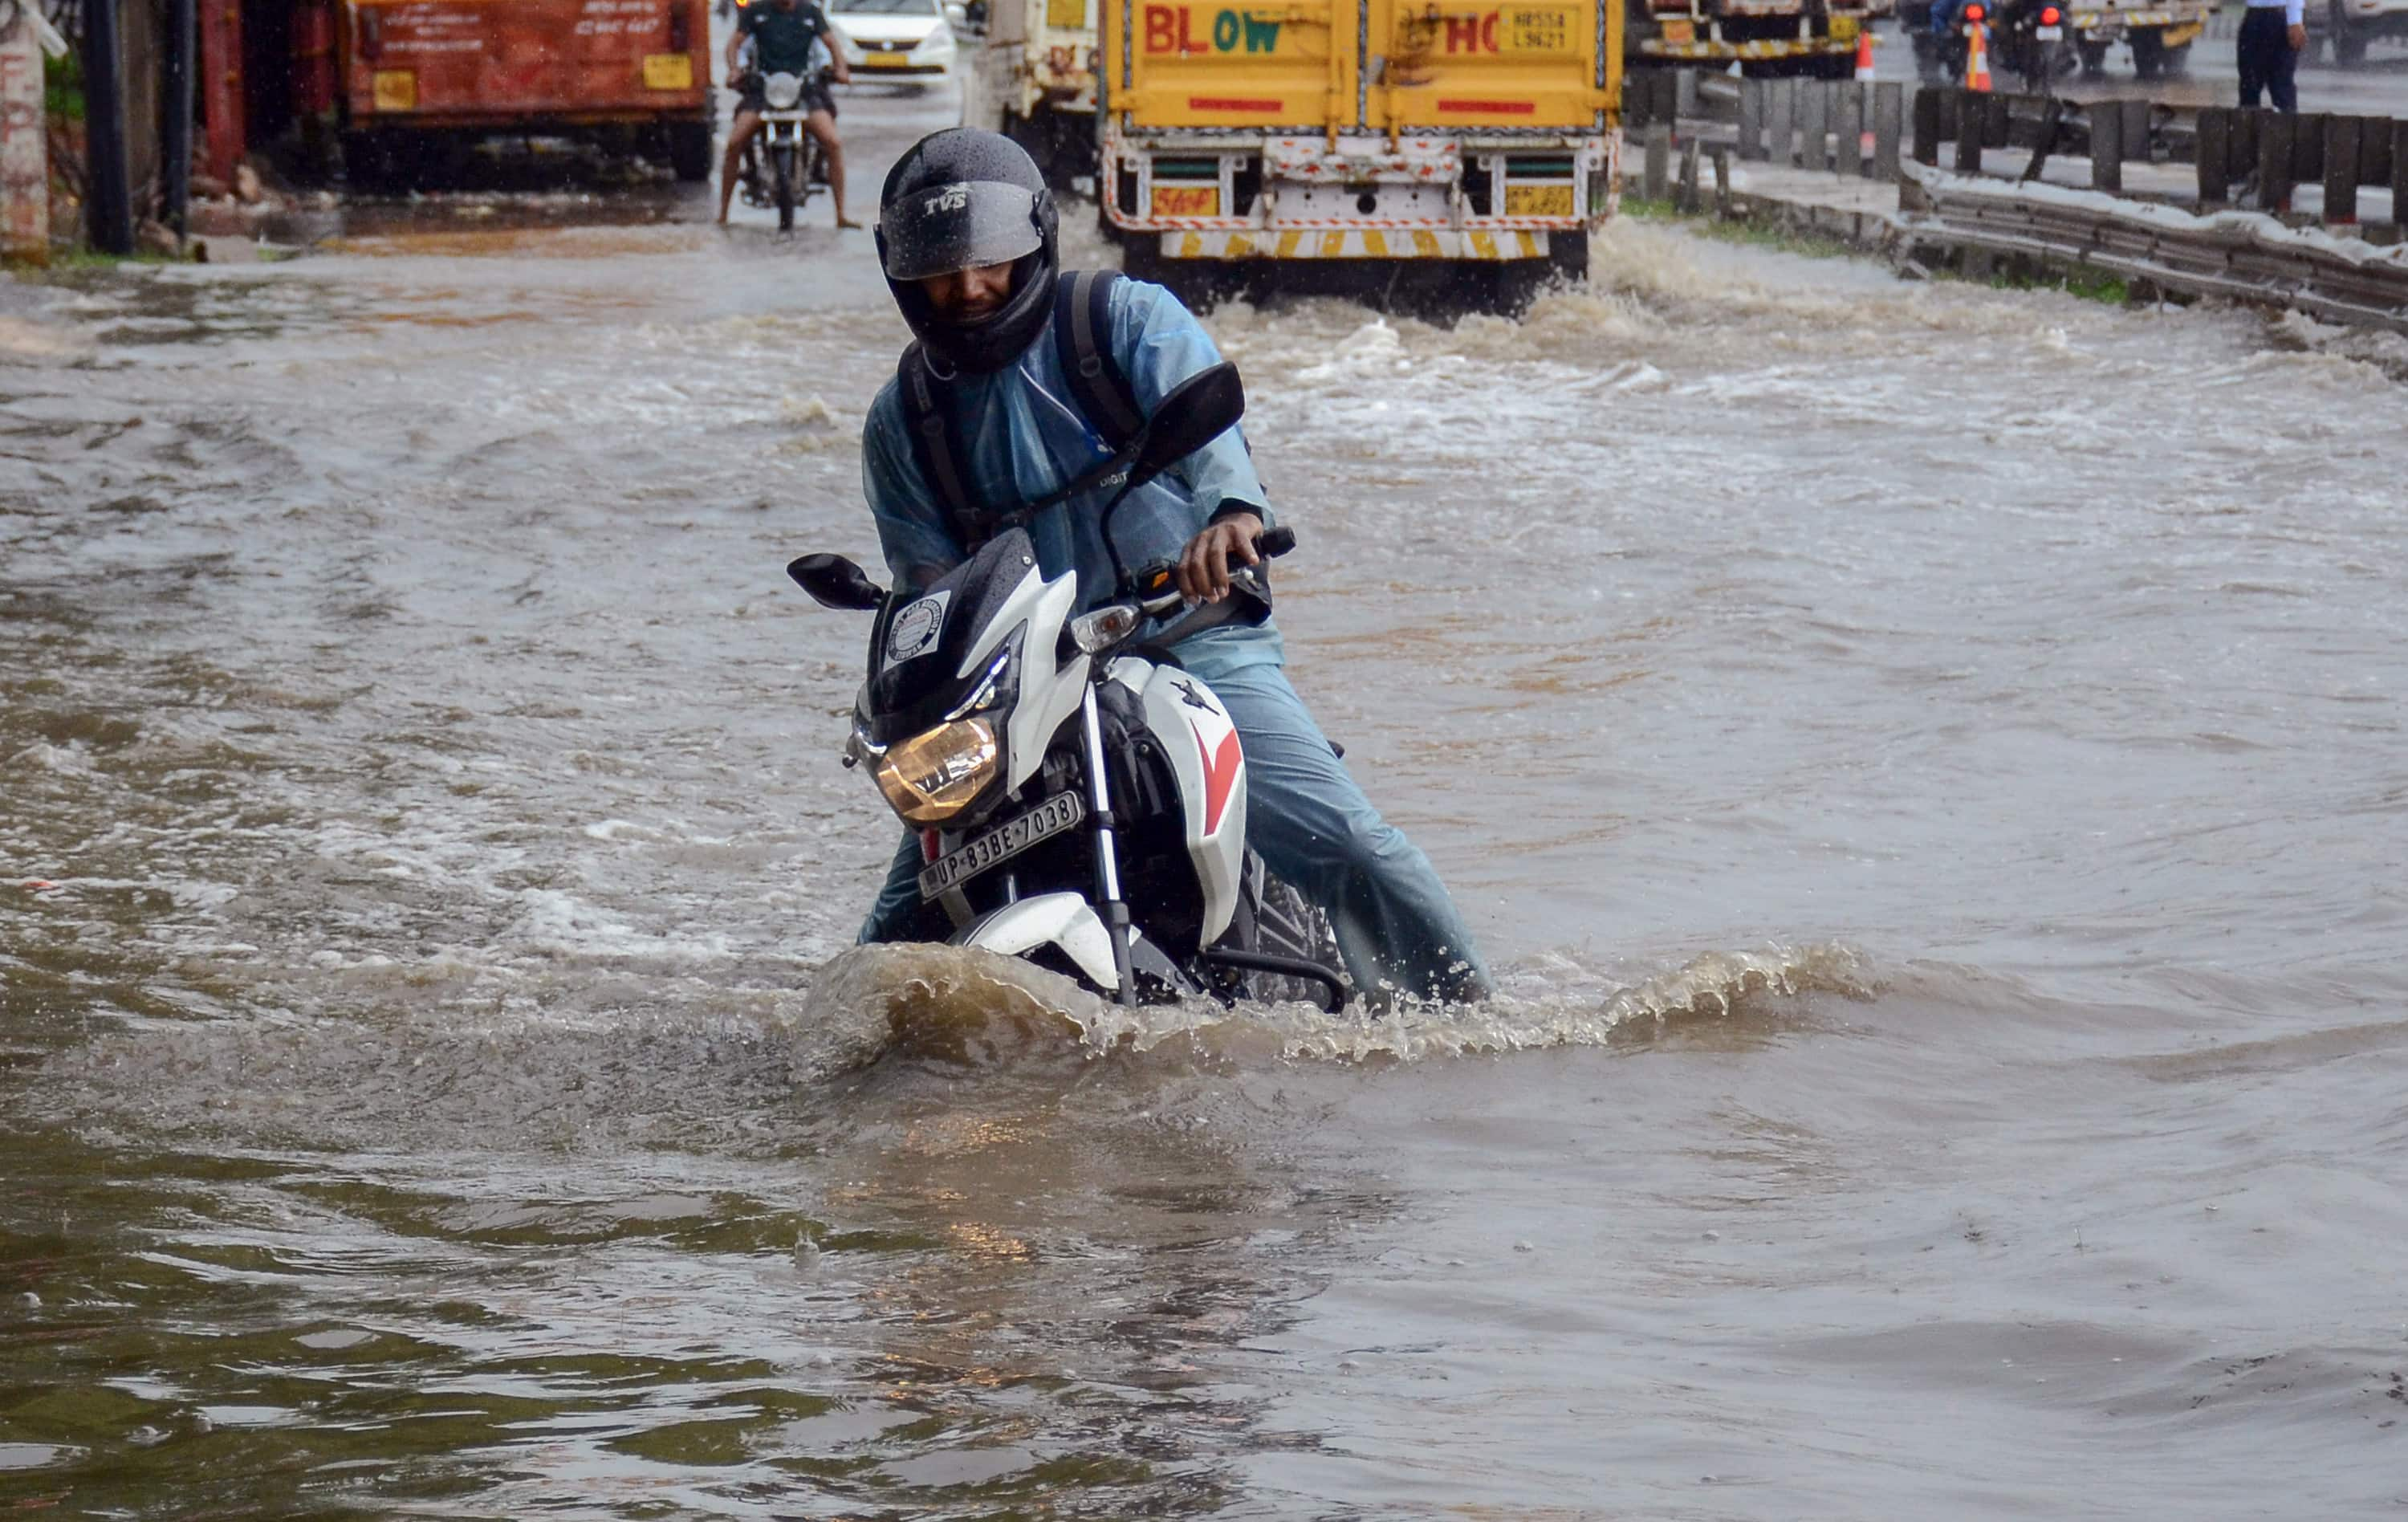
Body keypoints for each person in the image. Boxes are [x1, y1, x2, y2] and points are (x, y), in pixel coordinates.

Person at [851, 128, 1494, 1006]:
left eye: (992, 263)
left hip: (1187, 639)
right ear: (901, 274)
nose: (969, 288)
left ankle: (1464, 1021)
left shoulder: (1119, 319)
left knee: (1345, 841)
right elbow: (927, 587)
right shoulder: (903, 420)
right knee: (894, 933)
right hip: (1020, 691)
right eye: (943, 269)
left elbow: (1217, 443)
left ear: (1037, 241)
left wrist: (1232, 517)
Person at [718, 0, 858, 227]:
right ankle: (723, 214)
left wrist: (841, 68)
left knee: (832, 142)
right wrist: (734, 70)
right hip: (763, 91)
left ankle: (841, 215)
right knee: (735, 142)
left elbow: (832, 43)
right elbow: (733, 44)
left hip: (803, 90)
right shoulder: (756, 12)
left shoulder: (811, 13)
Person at [2237, 0, 2304, 114]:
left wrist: (2295, 19)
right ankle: (2247, 129)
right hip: (2253, 17)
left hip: (2280, 16)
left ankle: (2286, 128)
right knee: (2249, 85)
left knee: (2281, 87)